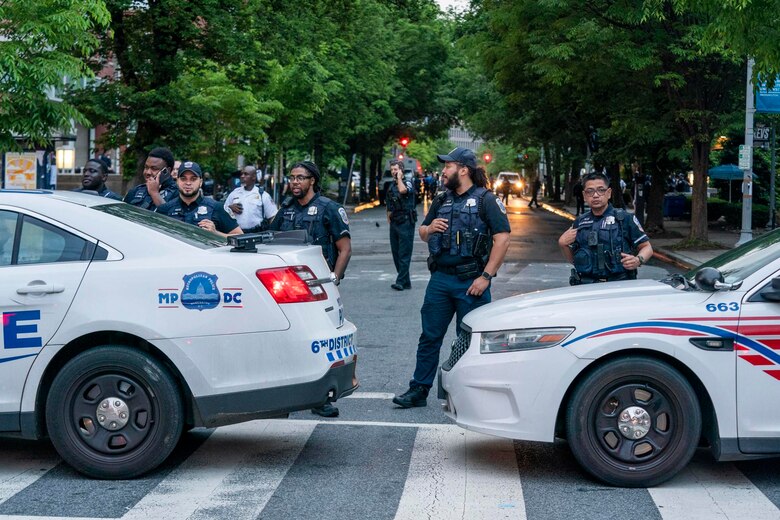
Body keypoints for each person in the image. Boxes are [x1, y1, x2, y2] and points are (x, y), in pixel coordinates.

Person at [392, 147, 511, 409]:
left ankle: (467, 394)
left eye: (448, 166)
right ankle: (418, 389)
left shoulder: (486, 200)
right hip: (441, 280)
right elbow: (423, 231)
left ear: (464, 170)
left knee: (468, 340)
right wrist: (429, 229)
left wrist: (486, 277)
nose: (444, 171)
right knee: (429, 336)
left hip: (472, 282)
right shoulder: (441, 199)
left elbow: (502, 239)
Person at [268, 161, 352, 418]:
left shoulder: (329, 209)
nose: (294, 182)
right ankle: (284, 400)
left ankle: (321, 399)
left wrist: (334, 279)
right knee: (286, 341)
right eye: (292, 177)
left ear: (312, 181)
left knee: (322, 344)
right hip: (287, 290)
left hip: (319, 290)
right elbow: (268, 240)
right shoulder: (286, 210)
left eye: (300, 178)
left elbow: (344, 248)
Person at [558, 172, 653, 284]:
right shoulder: (580, 222)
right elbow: (575, 260)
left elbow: (647, 247)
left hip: (619, 284)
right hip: (586, 285)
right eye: (590, 191)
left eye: (601, 190)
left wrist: (638, 260)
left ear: (609, 193)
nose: (595, 195)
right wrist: (562, 244)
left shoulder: (625, 219)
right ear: (584, 195)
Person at [156, 161, 242, 238]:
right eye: (183, 179)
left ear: (200, 182)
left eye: (193, 179)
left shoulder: (217, 208)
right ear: (177, 181)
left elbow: (240, 236)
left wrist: (216, 233)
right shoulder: (164, 209)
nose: (188, 183)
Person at [385, 159, 416, 291]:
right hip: (395, 222)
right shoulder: (391, 186)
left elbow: (403, 191)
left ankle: (401, 281)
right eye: (392, 169)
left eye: (396, 169)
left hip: (406, 222)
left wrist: (399, 178)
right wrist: (389, 217)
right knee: (396, 253)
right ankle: (405, 281)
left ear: (401, 170)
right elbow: (389, 203)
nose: (393, 172)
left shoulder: (407, 182)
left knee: (404, 253)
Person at [224, 165, 278, 233]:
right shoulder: (234, 193)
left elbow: (273, 217)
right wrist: (230, 207)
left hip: (256, 234)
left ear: (254, 177)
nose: (242, 176)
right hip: (237, 234)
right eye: (242, 174)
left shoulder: (263, 195)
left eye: (246, 174)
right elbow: (223, 212)